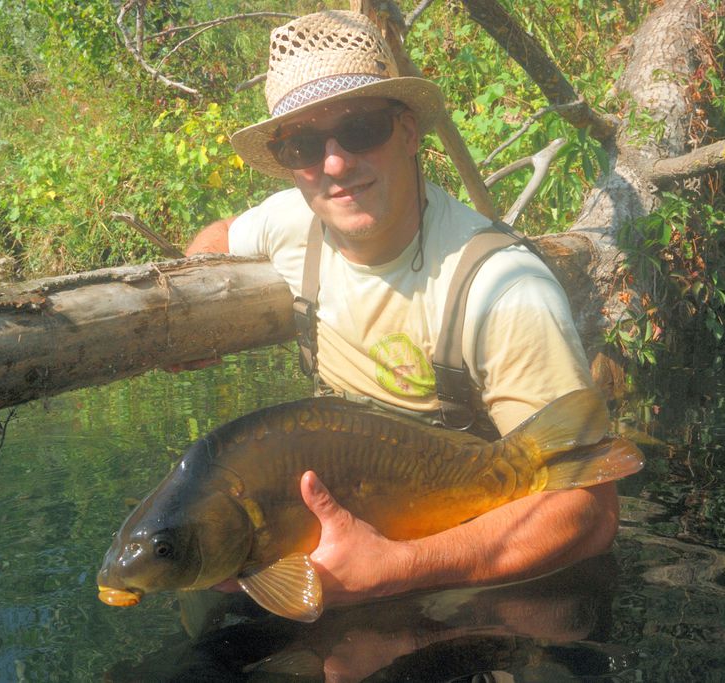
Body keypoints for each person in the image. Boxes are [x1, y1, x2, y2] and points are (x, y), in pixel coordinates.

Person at [186, 10, 619, 611]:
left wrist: (398, 569)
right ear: (289, 162)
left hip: (477, 572)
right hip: (351, 521)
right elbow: (218, 236)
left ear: (410, 132)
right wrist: (190, 312)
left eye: (360, 129)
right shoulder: (295, 219)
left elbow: (591, 514)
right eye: (305, 144)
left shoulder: (504, 289)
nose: (334, 164)